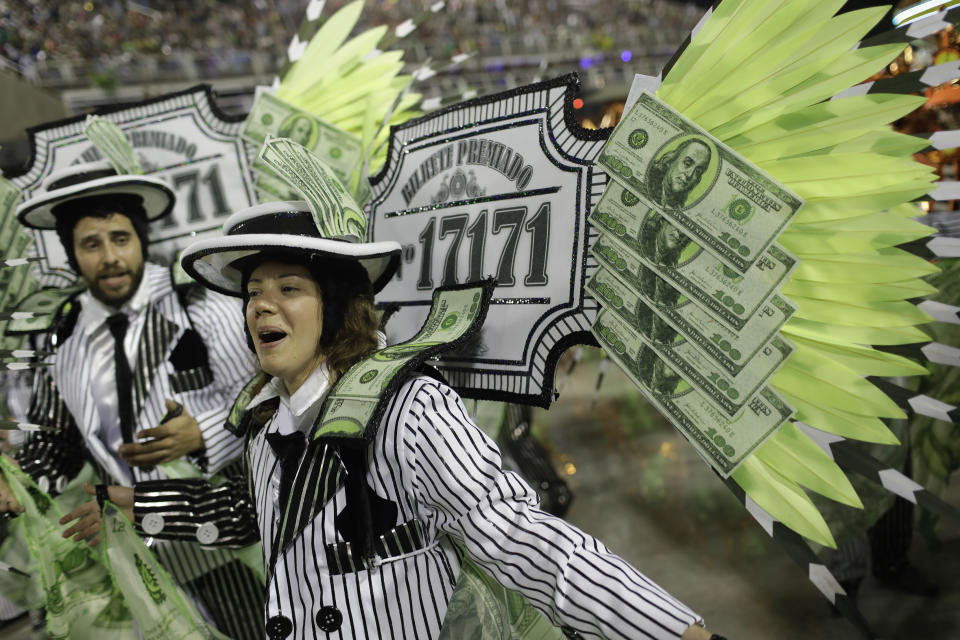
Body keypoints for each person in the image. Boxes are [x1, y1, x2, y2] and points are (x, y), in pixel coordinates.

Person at [99, 196, 723, 640]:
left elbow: (517, 535)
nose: (262, 304)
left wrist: (670, 630)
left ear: (338, 305)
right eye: (254, 291)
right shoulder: (266, 420)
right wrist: (138, 503)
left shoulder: (407, 407)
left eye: (289, 287)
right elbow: (255, 514)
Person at [0, 160, 264, 639]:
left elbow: (266, 400)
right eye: (91, 244)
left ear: (141, 240)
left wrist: (202, 433)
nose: (110, 258)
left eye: (120, 239)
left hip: (220, 542)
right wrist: (18, 480)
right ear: (72, 254)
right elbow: (58, 442)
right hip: (128, 552)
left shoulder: (198, 305)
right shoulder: (64, 334)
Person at [647, 138, 711, 209]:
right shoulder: (648, 181)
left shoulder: (678, 206)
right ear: (670, 160)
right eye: (687, 163)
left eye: (698, 171)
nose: (689, 175)